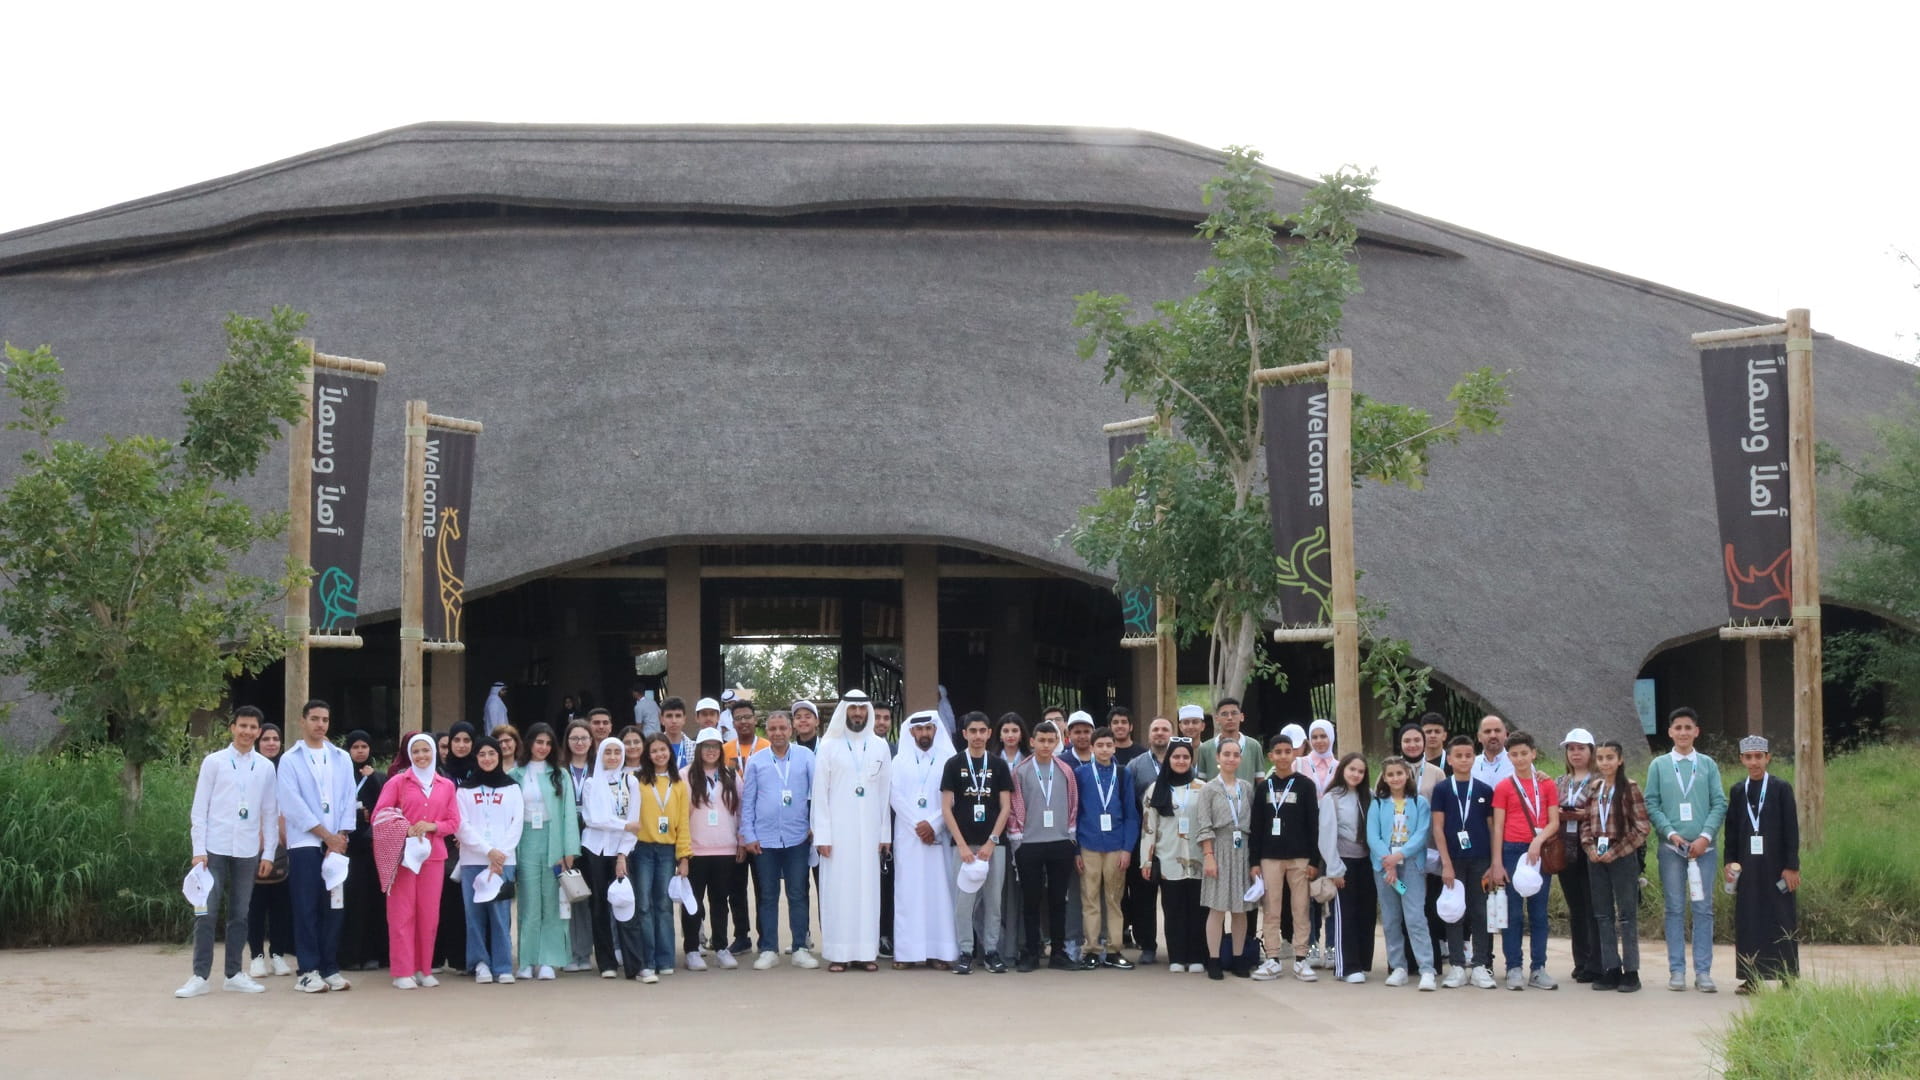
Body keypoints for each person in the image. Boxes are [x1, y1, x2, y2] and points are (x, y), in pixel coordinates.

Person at [177, 706, 280, 998]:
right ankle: (199, 975)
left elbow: (270, 813)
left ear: (259, 732)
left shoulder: (264, 767)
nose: (247, 732)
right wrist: (198, 850)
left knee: (240, 913)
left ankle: (234, 973)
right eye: (242, 726)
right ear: (232, 727)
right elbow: (200, 808)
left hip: (247, 850)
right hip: (214, 848)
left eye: (253, 727)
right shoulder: (215, 762)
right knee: (205, 912)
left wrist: (269, 853)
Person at [1644, 706, 1728, 993]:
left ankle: (1703, 972)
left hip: (1704, 851)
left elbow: (1719, 803)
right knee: (1675, 908)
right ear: (1670, 732)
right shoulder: (1658, 765)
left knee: (1703, 909)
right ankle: (1677, 971)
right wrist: (1672, 834)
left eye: (1687, 727)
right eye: (1677, 727)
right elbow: (1651, 803)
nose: (1682, 732)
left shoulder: (1707, 765)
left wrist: (1705, 837)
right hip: (1671, 850)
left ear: (1696, 731)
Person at [276, 699, 357, 993]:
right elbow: (292, 804)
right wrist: (325, 835)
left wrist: (341, 835)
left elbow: (350, 797)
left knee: (334, 905)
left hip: (336, 843)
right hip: (305, 842)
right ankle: (307, 970)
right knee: (306, 905)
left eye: (324, 719)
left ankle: (329, 967)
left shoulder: (341, 758)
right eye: (314, 719)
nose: (320, 724)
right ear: (303, 721)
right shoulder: (290, 759)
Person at [812, 690, 893, 971]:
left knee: (868, 892)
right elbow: (820, 794)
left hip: (870, 833)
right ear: (844, 712)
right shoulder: (829, 746)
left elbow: (885, 794)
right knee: (839, 891)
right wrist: (822, 835)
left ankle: (866, 953)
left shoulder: (879, 745)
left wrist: (885, 835)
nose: (857, 714)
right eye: (852, 709)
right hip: (838, 835)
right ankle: (839, 953)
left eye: (862, 709)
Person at [375, 733, 463, 989]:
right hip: (403, 857)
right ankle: (402, 970)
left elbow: (453, 822)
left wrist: (433, 825)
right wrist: (404, 826)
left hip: (433, 856)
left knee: (429, 914)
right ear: (409, 755)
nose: (422, 756)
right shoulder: (398, 782)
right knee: (402, 913)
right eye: (417, 751)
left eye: (426, 750)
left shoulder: (445, 785)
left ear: (434, 752)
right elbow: (380, 814)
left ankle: (424, 968)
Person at [740, 710, 819, 969]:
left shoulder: (806, 757)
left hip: (797, 837)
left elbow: (817, 796)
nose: (777, 733)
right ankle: (769, 949)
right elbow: (748, 801)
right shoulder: (757, 761)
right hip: (765, 840)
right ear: (767, 731)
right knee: (768, 894)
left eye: (782, 728)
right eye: (772, 729)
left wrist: (814, 825)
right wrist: (748, 835)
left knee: (798, 893)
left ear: (790, 729)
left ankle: (799, 947)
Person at [1722, 735, 1800, 995]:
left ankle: (1787, 975)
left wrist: (1792, 866)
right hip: (1748, 868)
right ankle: (1750, 977)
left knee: (1781, 917)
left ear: (1768, 757)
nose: (1754, 762)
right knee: (1749, 920)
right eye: (1748, 757)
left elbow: (1791, 829)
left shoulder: (1781, 789)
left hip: (1777, 867)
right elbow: (1731, 831)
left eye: (1759, 756)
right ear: (1741, 759)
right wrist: (1730, 861)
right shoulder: (1737, 790)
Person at [1487, 731, 1560, 990]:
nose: (1520, 759)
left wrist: (1538, 842)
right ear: (1509, 756)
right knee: (1513, 913)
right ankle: (1513, 967)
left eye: (1524, 753)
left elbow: (1554, 821)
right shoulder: (1504, 787)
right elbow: (1497, 826)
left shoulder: (1547, 785)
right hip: (1511, 851)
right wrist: (1497, 862)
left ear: (1534, 754)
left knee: (1539, 913)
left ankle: (1538, 968)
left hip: (1539, 851)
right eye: (1514, 754)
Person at [941, 710, 1012, 974]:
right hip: (963, 845)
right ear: (964, 734)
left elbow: (1005, 807)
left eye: (983, 731)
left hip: (994, 846)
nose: (978, 736)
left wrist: (992, 841)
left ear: (989, 733)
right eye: (973, 731)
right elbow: (947, 808)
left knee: (993, 901)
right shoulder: (953, 764)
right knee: (964, 901)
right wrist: (960, 844)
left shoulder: (998, 765)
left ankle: (991, 951)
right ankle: (965, 952)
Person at [889, 710, 959, 969]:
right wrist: (918, 825)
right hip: (909, 837)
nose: (924, 734)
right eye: (919, 730)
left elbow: (954, 796)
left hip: (939, 835)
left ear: (935, 731)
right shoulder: (899, 761)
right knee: (909, 894)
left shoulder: (949, 759)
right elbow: (893, 795)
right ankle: (908, 953)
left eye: (929, 729)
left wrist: (934, 823)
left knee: (940, 893)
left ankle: (940, 952)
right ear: (911, 733)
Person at [1008, 719, 1080, 972]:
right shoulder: (1020, 772)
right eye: (1042, 740)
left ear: (1057, 742)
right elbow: (1014, 810)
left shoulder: (1065, 770)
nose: (1046, 745)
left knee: (1059, 899)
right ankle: (1031, 951)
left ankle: (1058, 952)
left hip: (1060, 842)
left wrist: (1071, 838)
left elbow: (1073, 805)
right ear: (1032, 741)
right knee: (1031, 900)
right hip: (1030, 844)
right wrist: (1018, 842)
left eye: (1051, 741)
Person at [510, 722, 579, 981]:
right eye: (539, 742)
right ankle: (527, 959)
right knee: (528, 901)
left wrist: (569, 849)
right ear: (529, 744)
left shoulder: (560, 775)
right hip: (526, 839)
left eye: (548, 743)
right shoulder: (515, 774)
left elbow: (569, 815)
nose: (543, 747)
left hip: (554, 840)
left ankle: (549, 959)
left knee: (552, 901)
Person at [1582, 739, 1650, 992]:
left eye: (1610, 758)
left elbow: (1642, 827)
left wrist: (1617, 851)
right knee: (1602, 914)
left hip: (1622, 857)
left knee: (1627, 915)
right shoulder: (1594, 788)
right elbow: (1586, 823)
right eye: (1600, 758)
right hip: (1596, 859)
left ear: (1620, 760)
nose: (1605, 763)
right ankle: (1611, 968)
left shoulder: (1629, 787)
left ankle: (1631, 971)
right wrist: (1590, 848)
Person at [454, 735, 524, 983]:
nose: (487, 758)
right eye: (482, 754)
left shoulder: (512, 787)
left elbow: (517, 823)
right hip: (473, 859)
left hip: (504, 861)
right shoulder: (464, 789)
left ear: (499, 756)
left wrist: (499, 855)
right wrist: (488, 851)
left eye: (492, 754)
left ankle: (503, 965)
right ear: (476, 757)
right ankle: (480, 963)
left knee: (501, 913)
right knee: (474, 915)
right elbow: (461, 825)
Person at [1250, 733, 1318, 982]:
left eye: (1287, 751)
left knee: (1300, 908)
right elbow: (1256, 826)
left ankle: (1301, 959)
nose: (1282, 756)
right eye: (1277, 752)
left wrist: (1314, 861)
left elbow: (1314, 825)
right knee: (1271, 909)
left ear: (1294, 754)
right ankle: (1272, 958)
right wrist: (1254, 862)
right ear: (1271, 756)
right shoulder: (1263, 787)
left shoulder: (1306, 785)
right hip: (1269, 858)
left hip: (1300, 858)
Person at [1432, 735, 1498, 989]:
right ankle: (1458, 966)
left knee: (1480, 912)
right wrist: (1446, 864)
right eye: (1458, 756)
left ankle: (1480, 965)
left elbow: (1492, 830)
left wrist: (1494, 863)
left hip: (1480, 860)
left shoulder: (1484, 790)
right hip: (1454, 860)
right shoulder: (1442, 790)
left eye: (1468, 755)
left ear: (1474, 757)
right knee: (1454, 912)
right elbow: (1438, 828)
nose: (1463, 760)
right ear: (1449, 759)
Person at [1370, 757, 1438, 991]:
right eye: (1391, 774)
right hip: (1384, 869)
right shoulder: (1378, 804)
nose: (1396, 778)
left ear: (1407, 775)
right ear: (1385, 778)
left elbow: (1421, 834)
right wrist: (1388, 863)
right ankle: (1398, 966)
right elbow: (1373, 836)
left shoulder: (1419, 803)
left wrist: (1398, 857)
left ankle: (1426, 968)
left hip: (1410, 867)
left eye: (1400, 773)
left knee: (1415, 916)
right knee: (1391, 919)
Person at [578, 737, 644, 980]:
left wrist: (622, 855)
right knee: (598, 908)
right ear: (601, 755)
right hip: (594, 851)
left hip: (620, 852)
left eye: (618, 752)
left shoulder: (631, 782)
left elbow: (635, 824)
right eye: (608, 752)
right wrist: (624, 824)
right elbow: (593, 819)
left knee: (626, 904)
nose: (613, 757)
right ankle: (606, 962)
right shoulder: (591, 784)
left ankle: (634, 964)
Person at [1140, 737, 1207, 973]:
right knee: (1173, 909)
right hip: (1168, 858)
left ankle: (1197, 955)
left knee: (1198, 910)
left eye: (1185, 757)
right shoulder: (1155, 789)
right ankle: (1177, 956)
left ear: (1191, 760)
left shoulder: (1203, 788)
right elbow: (1149, 828)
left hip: (1198, 858)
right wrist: (1146, 860)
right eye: (1176, 757)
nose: (1180, 761)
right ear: (1168, 759)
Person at [1074, 725, 1138, 969]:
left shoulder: (1123, 774)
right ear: (1091, 748)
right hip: (1088, 842)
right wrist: (1076, 849)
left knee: (1113, 898)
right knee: (1089, 898)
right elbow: (1075, 812)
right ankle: (1091, 949)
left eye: (1108, 745)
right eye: (1099, 745)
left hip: (1115, 844)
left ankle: (1114, 949)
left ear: (1114, 748)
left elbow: (1131, 814)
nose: (1104, 749)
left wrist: (1127, 849)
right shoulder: (1081, 774)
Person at [1194, 737, 1255, 980]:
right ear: (1218, 758)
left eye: (1235, 754)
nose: (1231, 758)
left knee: (1241, 909)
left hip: (1243, 849)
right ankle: (1214, 958)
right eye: (1226, 754)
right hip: (1218, 847)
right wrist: (1208, 855)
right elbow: (1204, 823)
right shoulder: (1209, 789)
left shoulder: (1247, 788)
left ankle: (1239, 958)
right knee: (1217, 908)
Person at [682, 728, 743, 970]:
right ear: (698, 750)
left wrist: (741, 840)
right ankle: (692, 949)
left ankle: (720, 947)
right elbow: (680, 816)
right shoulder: (685, 775)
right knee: (693, 902)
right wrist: (682, 851)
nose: (710, 751)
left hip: (725, 850)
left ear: (721, 750)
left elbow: (741, 810)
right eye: (705, 746)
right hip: (695, 851)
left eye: (715, 746)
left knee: (720, 901)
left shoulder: (730, 774)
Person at [634, 733, 692, 978]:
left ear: (670, 752)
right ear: (648, 754)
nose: (659, 754)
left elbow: (683, 823)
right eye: (654, 750)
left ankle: (665, 958)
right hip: (642, 849)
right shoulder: (637, 781)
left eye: (663, 750)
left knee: (664, 905)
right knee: (644, 906)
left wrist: (684, 856)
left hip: (667, 851)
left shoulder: (678, 784)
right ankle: (647, 959)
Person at [1317, 753, 1375, 982]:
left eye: (1360, 771)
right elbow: (1327, 835)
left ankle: (1361, 962)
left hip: (1366, 862)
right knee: (1345, 915)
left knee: (1365, 913)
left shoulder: (1368, 796)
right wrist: (1334, 869)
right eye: (1352, 769)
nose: (1356, 775)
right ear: (1342, 770)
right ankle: (1347, 967)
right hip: (1343, 862)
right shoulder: (1332, 797)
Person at [246, 722, 293, 978]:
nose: (271, 743)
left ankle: (277, 954)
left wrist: (283, 838)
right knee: (256, 906)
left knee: (280, 905)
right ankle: (256, 956)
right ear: (257, 741)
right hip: (253, 845)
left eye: (276, 739)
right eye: (266, 739)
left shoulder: (285, 769)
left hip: (283, 845)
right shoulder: (251, 768)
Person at [1124, 716, 1172, 966]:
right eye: (1156, 729)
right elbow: (1129, 803)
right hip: (1144, 839)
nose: (1160, 733)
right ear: (1149, 734)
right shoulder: (1135, 765)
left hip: (1174, 840)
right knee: (1144, 896)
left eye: (1165, 729)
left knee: (1173, 897)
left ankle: (1175, 944)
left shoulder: (1181, 760)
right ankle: (1147, 945)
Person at [339, 729, 388, 972]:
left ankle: (372, 954)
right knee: (351, 902)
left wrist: (376, 778)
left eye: (364, 747)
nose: (360, 751)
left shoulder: (377, 777)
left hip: (372, 847)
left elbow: (386, 805)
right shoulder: (340, 775)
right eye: (355, 747)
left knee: (372, 902)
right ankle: (350, 955)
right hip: (348, 847)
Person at [1557, 728, 1601, 983]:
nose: (1575, 753)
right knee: (1576, 907)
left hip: (1590, 847)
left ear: (1591, 752)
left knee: (1593, 906)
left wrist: (1580, 814)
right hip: (1565, 847)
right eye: (1571, 748)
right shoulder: (1560, 781)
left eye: (1581, 748)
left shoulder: (1599, 780)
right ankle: (1581, 961)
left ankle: (1597, 961)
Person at [558, 719, 599, 972]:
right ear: (567, 741)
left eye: (585, 738)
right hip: (566, 835)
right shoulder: (559, 769)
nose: (580, 742)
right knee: (571, 895)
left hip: (594, 838)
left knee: (593, 896)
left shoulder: (600, 768)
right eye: (575, 738)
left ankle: (588, 952)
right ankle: (573, 952)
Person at [1299, 718, 1338, 969]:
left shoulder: (1341, 766)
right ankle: (1311, 946)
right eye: (1315, 736)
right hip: (1306, 838)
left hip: (1335, 839)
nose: (1319, 741)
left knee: (1334, 893)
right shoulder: (1299, 763)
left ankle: (1333, 947)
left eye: (1324, 736)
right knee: (1309, 894)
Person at [1195, 697, 1260, 781]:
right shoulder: (1205, 748)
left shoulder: (1254, 746)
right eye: (1224, 714)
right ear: (1217, 719)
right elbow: (1201, 782)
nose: (1229, 718)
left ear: (1241, 717)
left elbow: (1259, 780)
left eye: (1234, 713)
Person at [1472, 715, 1514, 788]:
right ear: (1479, 737)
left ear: (1506, 735)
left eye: (1497, 731)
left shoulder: (1518, 764)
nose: (1493, 735)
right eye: (1487, 731)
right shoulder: (1471, 765)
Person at [659, 698, 695, 770]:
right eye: (669, 716)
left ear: (684, 719)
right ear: (662, 720)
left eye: (678, 716)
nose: (674, 721)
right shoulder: (652, 748)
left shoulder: (694, 748)